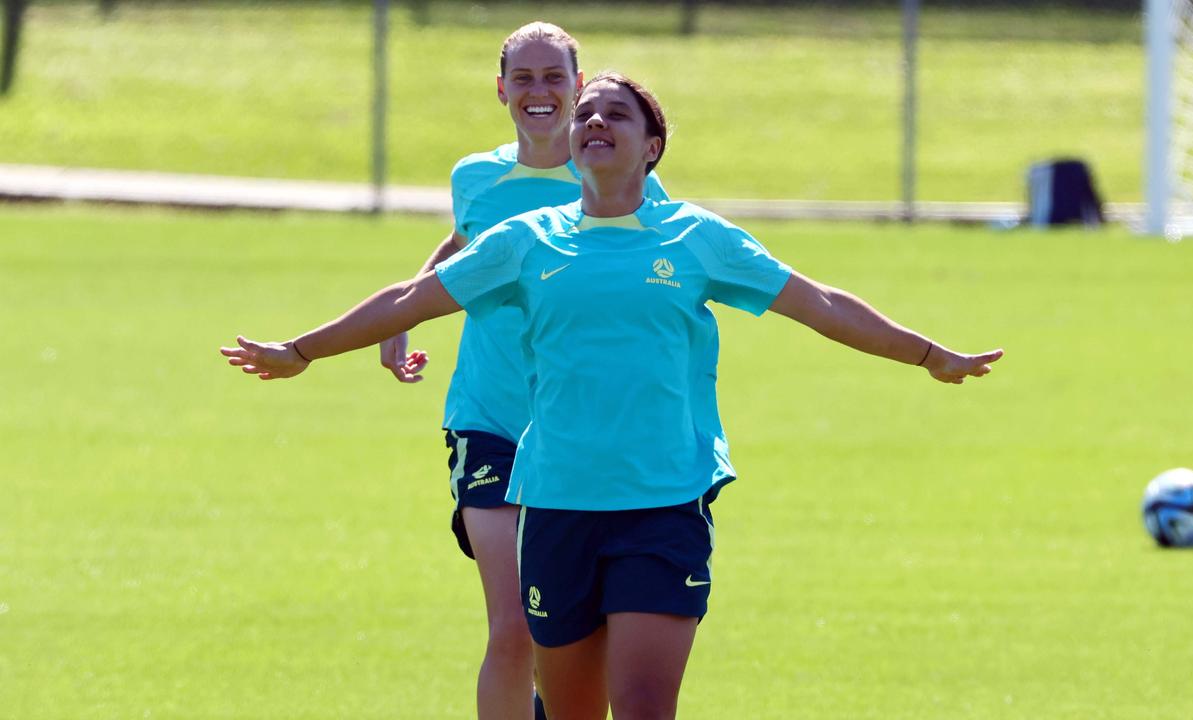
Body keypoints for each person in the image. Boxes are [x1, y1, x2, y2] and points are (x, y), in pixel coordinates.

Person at [222, 71, 1003, 720]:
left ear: (650, 147)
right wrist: (302, 351)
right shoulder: (528, 241)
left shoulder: (697, 239)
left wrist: (927, 354)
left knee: (641, 709)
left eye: (616, 114)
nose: (594, 120)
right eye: (585, 112)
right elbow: (410, 299)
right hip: (555, 505)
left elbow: (820, 302)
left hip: (661, 504)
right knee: (572, 713)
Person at [375, 23, 666, 720]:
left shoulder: (614, 172)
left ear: (578, 85)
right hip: (491, 417)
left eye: (554, 77)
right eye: (525, 78)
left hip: (581, 436)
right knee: (513, 627)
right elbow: (466, 242)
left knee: (571, 633)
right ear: (503, 90)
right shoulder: (476, 175)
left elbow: (660, 265)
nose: (540, 91)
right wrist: (401, 313)